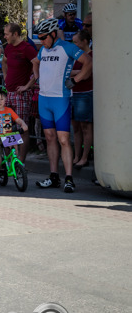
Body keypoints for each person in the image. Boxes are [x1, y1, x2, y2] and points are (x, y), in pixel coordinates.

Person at [31, 18, 91, 192]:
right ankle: (54, 176)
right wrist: (37, 77)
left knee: (63, 139)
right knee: (49, 137)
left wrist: (76, 80)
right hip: (44, 99)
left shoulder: (68, 47)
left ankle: (69, 178)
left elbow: (88, 62)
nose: (41, 41)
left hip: (60, 99)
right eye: (39, 38)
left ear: (53, 34)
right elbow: (35, 62)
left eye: (43, 37)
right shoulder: (43, 49)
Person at [1, 22, 38, 162]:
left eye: (7, 34)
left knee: (22, 128)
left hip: (21, 95)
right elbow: (4, 61)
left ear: (15, 34)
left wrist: (28, 85)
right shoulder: (9, 48)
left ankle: (21, 162)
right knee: (7, 128)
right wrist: (5, 77)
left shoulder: (27, 48)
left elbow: (37, 66)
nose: (5, 36)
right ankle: (11, 160)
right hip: (8, 93)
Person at [0, 85, 28, 186]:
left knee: (15, 143)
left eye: (1, 99)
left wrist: (23, 124)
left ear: (6, 99)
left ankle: (15, 163)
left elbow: (18, 119)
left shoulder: (9, 110)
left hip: (7, 136)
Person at [71, 30, 94, 170]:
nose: (74, 45)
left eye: (76, 42)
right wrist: (81, 71)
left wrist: (78, 73)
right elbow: (69, 72)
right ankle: (76, 156)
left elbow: (87, 74)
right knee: (76, 128)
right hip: (74, 93)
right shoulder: (76, 56)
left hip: (85, 94)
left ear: (84, 41)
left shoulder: (91, 55)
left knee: (86, 127)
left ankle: (85, 157)